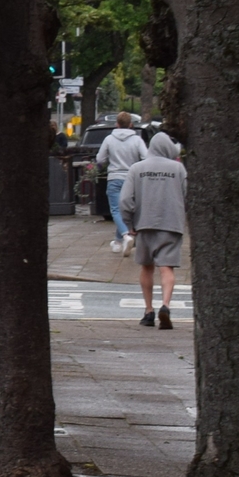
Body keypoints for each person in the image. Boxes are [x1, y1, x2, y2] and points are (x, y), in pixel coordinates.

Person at [119, 131, 186, 330]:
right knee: (166, 268)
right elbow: (187, 194)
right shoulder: (178, 168)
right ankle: (165, 305)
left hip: (144, 223)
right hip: (171, 224)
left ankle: (148, 311)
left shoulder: (136, 168)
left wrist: (129, 223)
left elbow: (125, 200)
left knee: (146, 267)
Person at [97, 111, 147, 254]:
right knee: (129, 210)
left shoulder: (109, 139)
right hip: (132, 179)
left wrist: (102, 167)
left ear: (117, 124)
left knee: (116, 210)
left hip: (114, 177)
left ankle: (125, 235)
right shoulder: (137, 140)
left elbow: (100, 160)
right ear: (131, 124)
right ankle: (118, 242)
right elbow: (146, 157)